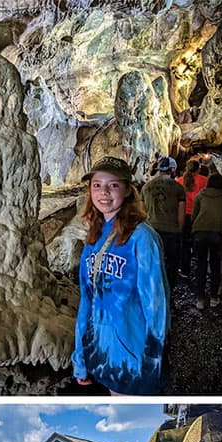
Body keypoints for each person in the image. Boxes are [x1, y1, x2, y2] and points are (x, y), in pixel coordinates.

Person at [73, 156, 169, 396]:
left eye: (113, 185)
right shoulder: (94, 237)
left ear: (127, 190)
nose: (103, 192)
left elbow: (156, 306)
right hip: (102, 353)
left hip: (133, 357)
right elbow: (87, 300)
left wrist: (152, 364)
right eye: (97, 185)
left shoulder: (142, 238)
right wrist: (81, 358)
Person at [141, 155, 186, 288]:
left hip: (151, 231)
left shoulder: (146, 187)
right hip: (171, 232)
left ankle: (151, 292)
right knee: (171, 265)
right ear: (172, 170)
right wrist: (180, 230)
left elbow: (142, 212)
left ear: (159, 169)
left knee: (152, 263)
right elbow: (181, 213)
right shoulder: (178, 188)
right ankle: (168, 293)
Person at [191, 172, 222, 310]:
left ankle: (200, 299)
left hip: (200, 233)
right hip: (218, 235)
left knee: (200, 265)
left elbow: (194, 215)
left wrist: (195, 229)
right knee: (215, 266)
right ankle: (214, 296)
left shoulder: (201, 195)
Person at [176, 156, 209, 279]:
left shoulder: (179, 181)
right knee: (199, 243)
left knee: (185, 243)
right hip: (199, 216)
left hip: (183, 215)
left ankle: (185, 269)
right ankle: (200, 272)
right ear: (198, 169)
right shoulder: (204, 181)